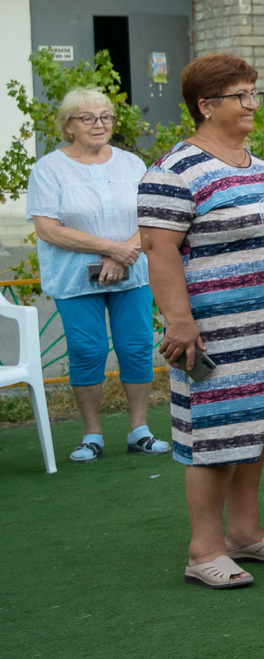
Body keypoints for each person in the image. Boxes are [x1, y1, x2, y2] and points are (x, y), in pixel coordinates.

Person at [138, 54, 264, 590]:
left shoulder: (256, 165)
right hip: (218, 332)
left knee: (253, 428)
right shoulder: (173, 171)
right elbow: (157, 249)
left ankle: (243, 532)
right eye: (242, 95)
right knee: (214, 435)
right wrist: (179, 321)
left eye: (254, 93)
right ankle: (204, 548)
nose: (253, 104)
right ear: (206, 105)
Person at [28, 87, 169, 462]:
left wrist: (124, 254)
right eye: (87, 118)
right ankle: (92, 434)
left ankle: (139, 429)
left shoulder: (131, 164)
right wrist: (110, 249)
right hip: (74, 279)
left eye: (105, 116)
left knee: (135, 347)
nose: (99, 124)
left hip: (132, 272)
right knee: (87, 350)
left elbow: (150, 217)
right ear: (68, 126)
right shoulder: (48, 168)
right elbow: (48, 229)